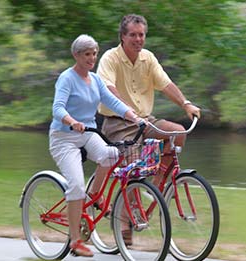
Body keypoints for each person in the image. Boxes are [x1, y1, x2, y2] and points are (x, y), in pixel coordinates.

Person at [49, 34, 141, 257]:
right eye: (87, 54)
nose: (91, 58)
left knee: (111, 155)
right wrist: (72, 121)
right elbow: (57, 109)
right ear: (76, 55)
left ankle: (96, 194)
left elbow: (113, 102)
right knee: (76, 186)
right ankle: (75, 240)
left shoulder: (95, 79)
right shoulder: (67, 78)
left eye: (94, 54)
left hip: (88, 133)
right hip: (64, 137)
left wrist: (135, 117)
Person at [96, 14, 201, 187]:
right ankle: (126, 212)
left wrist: (186, 104)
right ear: (123, 36)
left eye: (141, 35)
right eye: (133, 35)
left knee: (178, 132)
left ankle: (157, 186)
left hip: (146, 121)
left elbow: (166, 84)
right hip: (119, 124)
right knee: (134, 172)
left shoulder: (148, 58)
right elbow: (108, 89)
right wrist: (129, 111)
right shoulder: (110, 58)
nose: (138, 39)